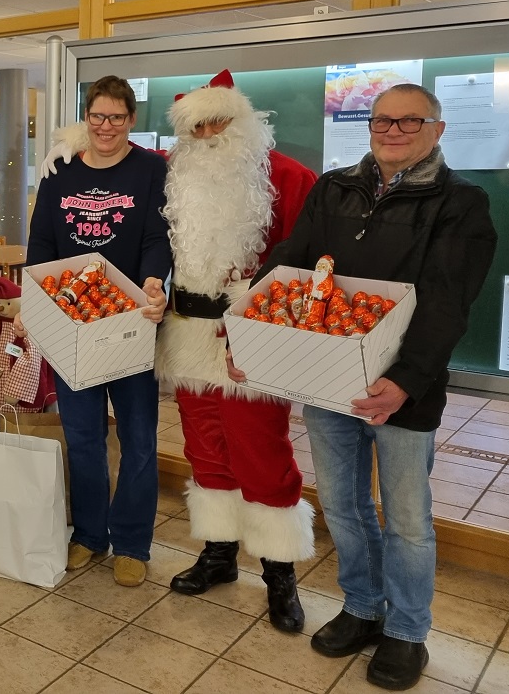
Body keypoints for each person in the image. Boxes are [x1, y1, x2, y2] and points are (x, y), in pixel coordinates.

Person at [229, 83, 497, 690]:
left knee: (407, 520)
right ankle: (362, 608)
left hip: (403, 392)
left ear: (438, 129)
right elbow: (292, 261)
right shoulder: (335, 187)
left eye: (409, 121)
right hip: (326, 382)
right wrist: (248, 333)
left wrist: (402, 381)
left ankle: (406, 632)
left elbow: (448, 306)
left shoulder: (461, 203)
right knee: (344, 507)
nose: (393, 130)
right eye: (382, 120)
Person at [155, 70, 317, 633]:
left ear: (242, 118)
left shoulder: (291, 179)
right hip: (185, 331)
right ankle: (219, 554)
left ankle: (279, 571)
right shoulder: (173, 175)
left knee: (261, 449)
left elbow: (311, 265)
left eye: (218, 119)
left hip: (252, 340)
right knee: (204, 447)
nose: (208, 132)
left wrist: (259, 310)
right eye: (196, 125)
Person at [27, 75, 171, 587]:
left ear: (131, 120)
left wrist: (154, 281)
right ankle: (89, 534)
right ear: (85, 119)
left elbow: (158, 236)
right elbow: (42, 241)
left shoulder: (152, 168)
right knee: (83, 437)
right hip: (72, 324)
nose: (105, 127)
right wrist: (37, 300)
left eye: (116, 117)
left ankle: (132, 541)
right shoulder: (61, 172)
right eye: (97, 117)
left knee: (138, 438)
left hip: (130, 321)